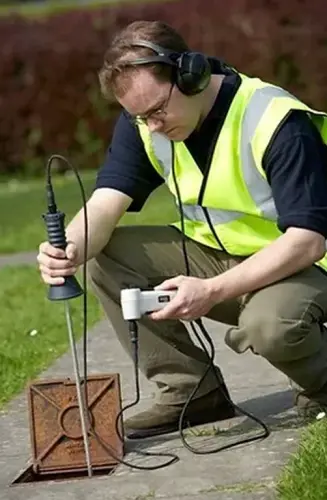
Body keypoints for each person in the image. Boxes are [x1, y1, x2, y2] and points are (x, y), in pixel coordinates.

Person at [37, 20, 327, 440]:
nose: (151, 126)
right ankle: (193, 393)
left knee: (271, 327)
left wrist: (211, 291)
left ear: (190, 75)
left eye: (156, 110)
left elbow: (308, 239)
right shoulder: (145, 122)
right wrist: (69, 248)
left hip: (304, 266)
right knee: (109, 257)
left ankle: (322, 388)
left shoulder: (274, 119)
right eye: (140, 116)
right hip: (220, 255)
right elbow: (105, 201)